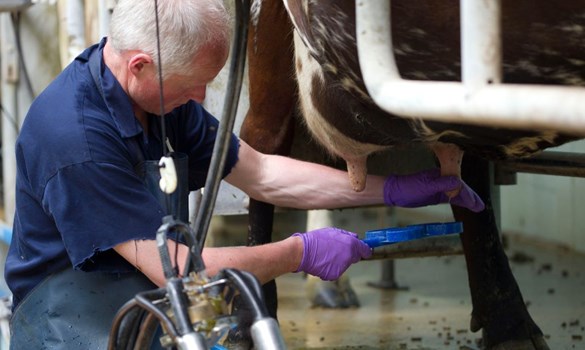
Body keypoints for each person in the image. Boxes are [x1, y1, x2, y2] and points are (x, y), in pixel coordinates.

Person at [4, 0, 484, 348]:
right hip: (65, 322)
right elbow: (183, 270)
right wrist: (300, 252)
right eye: (196, 84)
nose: (201, 98)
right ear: (140, 66)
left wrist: (390, 190)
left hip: (138, 301)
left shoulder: (161, 95)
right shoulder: (78, 141)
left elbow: (263, 173)